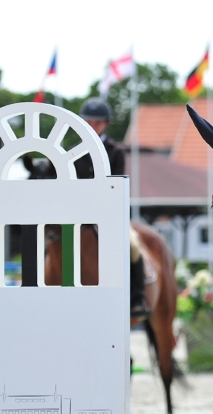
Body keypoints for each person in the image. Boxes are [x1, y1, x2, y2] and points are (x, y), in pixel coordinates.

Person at [76, 97, 150, 320]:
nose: (93, 125)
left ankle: (137, 295)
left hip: (108, 217)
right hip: (76, 217)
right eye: (89, 121)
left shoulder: (115, 152)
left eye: (97, 122)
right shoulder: (72, 153)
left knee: (133, 244)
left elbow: (116, 187)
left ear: (106, 124)